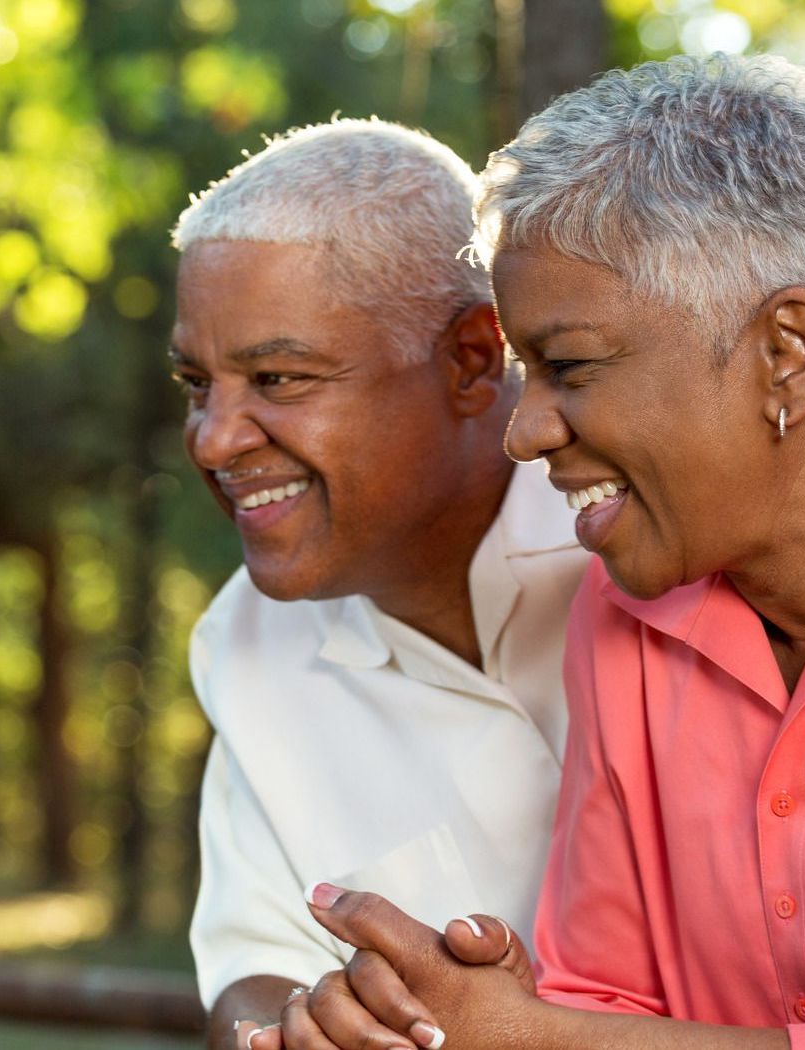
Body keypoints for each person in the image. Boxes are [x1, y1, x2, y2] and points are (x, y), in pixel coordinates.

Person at [269, 52, 805, 1050]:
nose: (525, 433)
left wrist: (534, 1041)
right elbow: (610, 1007)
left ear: (789, 353)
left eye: (569, 367)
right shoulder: (628, 605)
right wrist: (484, 1025)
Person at [168, 118, 588, 1050]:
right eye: (198, 385)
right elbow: (251, 965)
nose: (213, 438)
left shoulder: (636, 543)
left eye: (277, 378)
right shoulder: (243, 641)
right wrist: (290, 1032)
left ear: (472, 361)